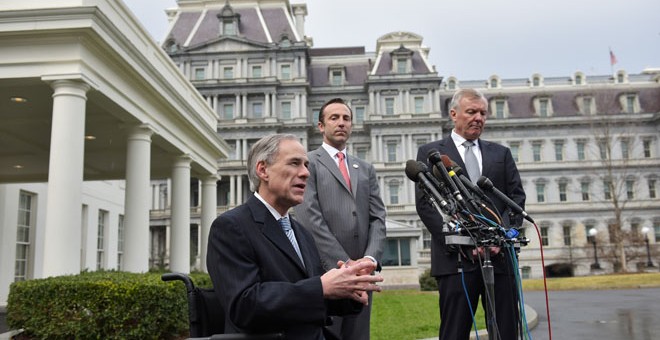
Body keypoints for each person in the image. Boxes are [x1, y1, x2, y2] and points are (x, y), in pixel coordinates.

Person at [207, 134, 384, 340]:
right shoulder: (231, 227)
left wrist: (349, 291)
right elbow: (244, 306)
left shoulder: (301, 233)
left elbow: (312, 297)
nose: (306, 173)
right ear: (263, 170)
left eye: (306, 165)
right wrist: (321, 287)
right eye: (294, 163)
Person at [415, 88, 526, 340]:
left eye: (483, 113)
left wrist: (501, 239)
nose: (478, 117)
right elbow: (426, 205)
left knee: (506, 331)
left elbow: (516, 199)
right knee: (454, 332)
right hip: (456, 261)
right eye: (471, 111)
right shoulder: (431, 154)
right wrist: (462, 242)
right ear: (454, 114)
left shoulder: (501, 154)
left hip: (500, 259)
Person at [294, 98, 387, 340]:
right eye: (334, 118)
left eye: (346, 118)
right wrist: (345, 265)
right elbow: (309, 218)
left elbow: (378, 217)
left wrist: (369, 259)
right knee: (329, 334)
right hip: (327, 272)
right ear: (321, 126)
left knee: (358, 335)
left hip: (363, 272)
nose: (341, 123)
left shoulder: (365, 168)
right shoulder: (308, 163)